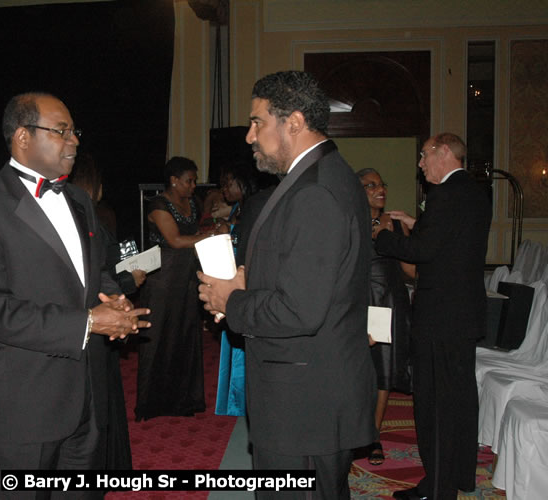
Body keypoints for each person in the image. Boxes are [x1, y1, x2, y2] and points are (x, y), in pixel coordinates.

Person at [0, 92, 150, 499]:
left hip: (89, 401)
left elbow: (94, 276)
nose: (74, 141)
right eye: (61, 131)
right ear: (22, 137)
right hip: (23, 406)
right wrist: (90, 322)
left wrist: (115, 302)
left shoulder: (78, 200)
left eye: (74, 131)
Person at [197, 71, 376, 500]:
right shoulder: (320, 175)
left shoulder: (315, 190)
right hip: (310, 395)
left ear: (292, 122)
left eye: (258, 122)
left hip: (304, 405)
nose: (249, 136)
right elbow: (308, 275)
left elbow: (300, 310)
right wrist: (250, 279)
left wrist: (233, 299)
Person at [375, 133, 492, 500]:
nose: (420, 164)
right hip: (463, 315)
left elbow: (423, 251)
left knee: (435, 407)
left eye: (424, 156)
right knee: (459, 402)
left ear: (443, 152)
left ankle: (438, 489)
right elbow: (451, 243)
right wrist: (418, 221)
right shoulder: (474, 192)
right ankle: (457, 478)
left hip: (440, 318)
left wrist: (383, 237)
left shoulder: (443, 195)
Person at [135, 156, 227, 421]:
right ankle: (152, 403)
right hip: (162, 278)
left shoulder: (190, 203)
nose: (193, 185)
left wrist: (213, 228)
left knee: (185, 335)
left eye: (194, 180)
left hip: (186, 275)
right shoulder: (158, 204)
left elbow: (193, 234)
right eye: (189, 180)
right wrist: (210, 235)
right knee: (158, 337)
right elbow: (174, 241)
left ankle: (183, 400)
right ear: (174, 181)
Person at [69, 152, 140, 471]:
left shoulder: (94, 216)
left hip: (104, 312)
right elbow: (95, 273)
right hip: (91, 318)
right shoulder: (89, 218)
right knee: (98, 398)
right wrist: (129, 281)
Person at [357, 167, 414, 466]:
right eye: (371, 185)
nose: (380, 189)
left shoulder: (393, 222)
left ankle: (373, 436)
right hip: (358, 301)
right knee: (357, 368)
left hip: (388, 301)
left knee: (384, 370)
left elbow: (410, 270)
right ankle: (352, 431)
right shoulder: (348, 219)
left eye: (382, 184)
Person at [214, 162, 269, 417]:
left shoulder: (256, 205)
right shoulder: (238, 207)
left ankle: (242, 400)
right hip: (230, 275)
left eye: (228, 183)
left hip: (245, 278)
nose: (224, 189)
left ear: (243, 182)